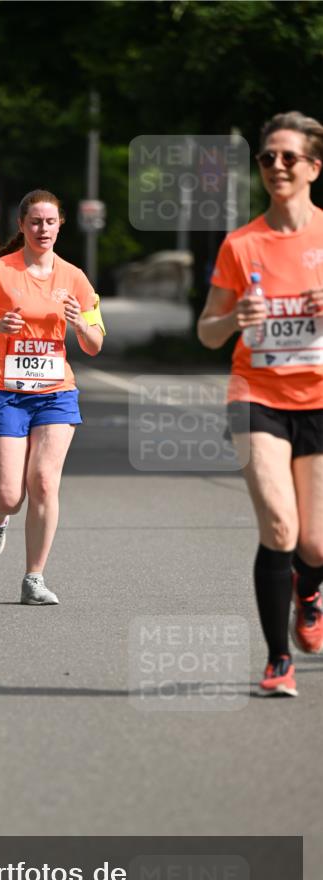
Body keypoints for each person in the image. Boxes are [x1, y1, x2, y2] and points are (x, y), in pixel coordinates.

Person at [198, 111, 323, 697]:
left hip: (319, 401)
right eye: (268, 157)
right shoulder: (241, 243)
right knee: (279, 524)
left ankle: (310, 587)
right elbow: (206, 333)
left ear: (313, 167)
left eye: (288, 157)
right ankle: (278, 660)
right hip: (257, 395)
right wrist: (232, 319)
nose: (276, 165)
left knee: (315, 542)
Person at [0, 189, 105, 605]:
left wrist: (80, 325)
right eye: (35, 222)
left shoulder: (75, 278)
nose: (43, 229)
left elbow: (94, 344)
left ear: (60, 226)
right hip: (5, 391)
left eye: (50, 222)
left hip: (56, 392)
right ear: (21, 226)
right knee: (8, 493)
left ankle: (33, 578)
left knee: (43, 482)